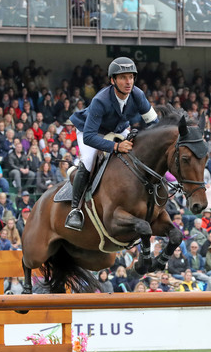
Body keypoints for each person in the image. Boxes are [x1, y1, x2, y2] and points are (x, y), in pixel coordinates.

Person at [64, 57, 158, 230]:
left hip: (118, 128)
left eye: (130, 77)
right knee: (88, 161)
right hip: (90, 131)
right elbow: (89, 137)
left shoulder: (137, 94)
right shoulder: (101, 100)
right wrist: (116, 147)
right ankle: (75, 210)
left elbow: (154, 123)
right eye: (122, 77)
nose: (128, 82)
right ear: (112, 80)